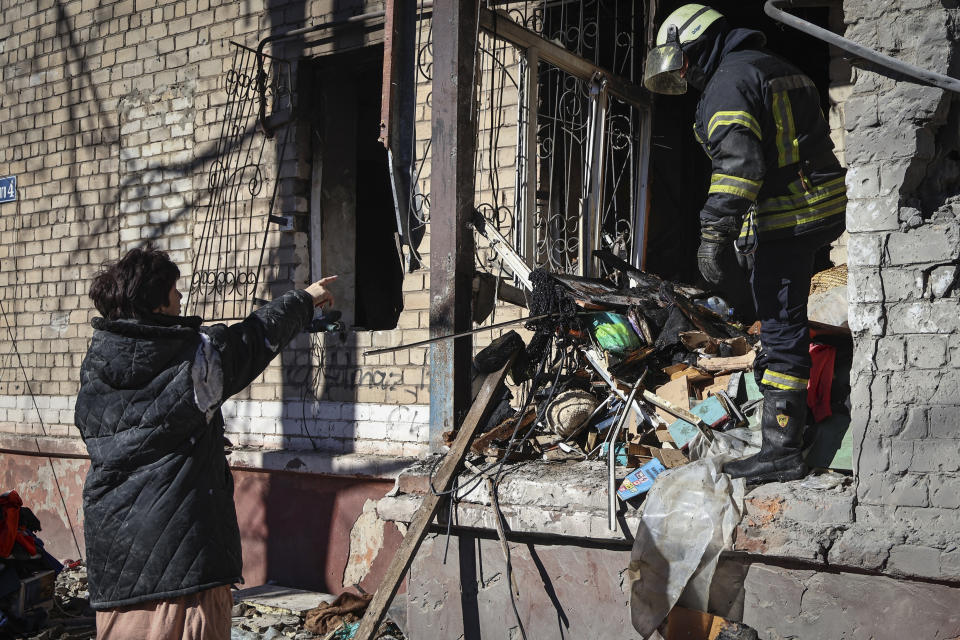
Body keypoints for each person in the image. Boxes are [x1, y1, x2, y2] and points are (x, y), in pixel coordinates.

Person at [75, 245, 336, 639]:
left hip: (118, 564)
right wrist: (305, 299)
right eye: (174, 291)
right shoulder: (194, 362)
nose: (182, 298)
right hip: (186, 563)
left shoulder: (97, 365)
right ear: (157, 303)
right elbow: (253, 339)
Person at [644, 4, 847, 484]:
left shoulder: (728, 84)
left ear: (698, 45)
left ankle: (780, 449)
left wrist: (714, 233)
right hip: (815, 208)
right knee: (784, 321)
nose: (686, 75)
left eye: (684, 61)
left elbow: (740, 168)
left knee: (781, 331)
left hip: (790, 218)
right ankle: (787, 438)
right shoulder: (772, 67)